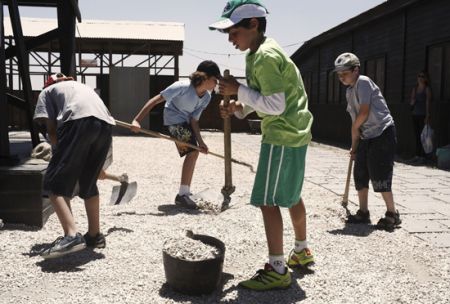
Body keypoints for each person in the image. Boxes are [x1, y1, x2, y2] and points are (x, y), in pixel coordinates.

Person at [210, 0, 314, 291]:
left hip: (281, 134)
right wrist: (240, 108)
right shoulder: (259, 52)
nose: (230, 38)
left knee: (268, 201)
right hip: (295, 132)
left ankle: (278, 268)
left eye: (233, 32)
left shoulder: (265, 56)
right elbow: (264, 98)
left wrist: (237, 90)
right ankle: (302, 250)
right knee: (291, 195)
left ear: (253, 25)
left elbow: (276, 106)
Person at [34, 73, 115, 259]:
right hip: (104, 126)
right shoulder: (82, 87)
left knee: (54, 183)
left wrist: (58, 159)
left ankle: (71, 235)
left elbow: (51, 129)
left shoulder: (46, 92)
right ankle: (95, 236)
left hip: (77, 122)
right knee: (89, 181)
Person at [131, 61, 221, 209]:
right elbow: (155, 100)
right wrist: (137, 120)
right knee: (192, 152)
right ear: (205, 77)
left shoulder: (207, 97)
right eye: (215, 79)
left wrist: (201, 143)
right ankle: (183, 195)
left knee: (195, 151)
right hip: (173, 120)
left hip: (186, 122)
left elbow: (194, 120)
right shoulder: (182, 87)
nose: (216, 83)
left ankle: (184, 193)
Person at [334, 52, 401, 231]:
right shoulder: (349, 91)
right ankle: (363, 212)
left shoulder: (363, 81)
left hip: (382, 132)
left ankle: (392, 214)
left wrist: (356, 129)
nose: (341, 77)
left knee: (379, 172)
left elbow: (364, 112)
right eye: (339, 74)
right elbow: (355, 121)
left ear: (355, 70)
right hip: (365, 134)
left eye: (345, 73)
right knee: (361, 171)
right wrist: (354, 146)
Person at [409, 70, 432, 163]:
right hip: (415, 114)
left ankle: (423, 156)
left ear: (425, 79)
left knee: (424, 136)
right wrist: (412, 102)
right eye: (419, 76)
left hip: (423, 114)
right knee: (417, 135)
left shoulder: (427, 89)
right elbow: (411, 101)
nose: (420, 78)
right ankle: (417, 155)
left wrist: (428, 115)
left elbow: (428, 102)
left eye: (422, 76)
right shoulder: (415, 88)